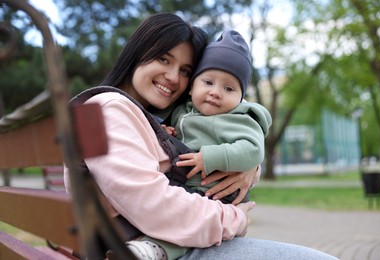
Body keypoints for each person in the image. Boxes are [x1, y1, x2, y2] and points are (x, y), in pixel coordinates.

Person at [64, 12, 338, 260]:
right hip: (149, 247)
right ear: (137, 53)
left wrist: (248, 165)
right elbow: (154, 205)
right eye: (164, 59)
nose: (173, 77)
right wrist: (233, 218)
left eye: (185, 71)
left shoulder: (142, 117)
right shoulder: (107, 109)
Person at [128, 29, 272, 260]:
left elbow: (253, 149)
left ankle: (155, 250)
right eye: (208, 82)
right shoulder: (182, 111)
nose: (216, 93)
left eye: (229, 88)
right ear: (192, 86)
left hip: (214, 192)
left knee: (188, 225)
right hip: (186, 185)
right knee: (181, 216)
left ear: (240, 97)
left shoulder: (239, 119)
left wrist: (211, 157)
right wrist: (165, 133)